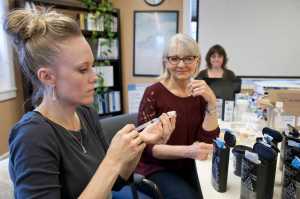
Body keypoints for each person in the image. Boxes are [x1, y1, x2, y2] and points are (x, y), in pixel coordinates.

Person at [4, 8, 176, 199]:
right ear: (47, 77)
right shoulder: (32, 137)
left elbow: (116, 182)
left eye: (92, 66)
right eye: (83, 69)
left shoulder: (86, 113)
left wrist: (139, 143)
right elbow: (109, 169)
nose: (95, 77)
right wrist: (112, 160)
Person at [135, 33, 220, 199]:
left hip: (193, 164)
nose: (181, 64)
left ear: (197, 61)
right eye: (174, 58)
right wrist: (189, 151)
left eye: (188, 58)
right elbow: (148, 148)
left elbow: (207, 141)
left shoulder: (200, 91)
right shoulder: (153, 92)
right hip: (159, 168)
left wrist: (212, 102)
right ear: (166, 61)